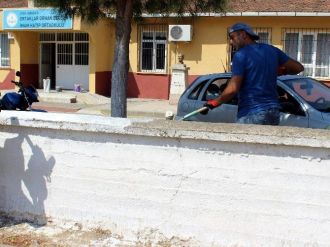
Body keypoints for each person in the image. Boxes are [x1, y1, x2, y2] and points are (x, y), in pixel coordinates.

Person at [201, 22, 304, 125]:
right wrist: (281, 71)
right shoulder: (272, 50)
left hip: (251, 113)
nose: (231, 42)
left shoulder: (240, 55)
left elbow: (232, 89)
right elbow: (298, 68)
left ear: (243, 34)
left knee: (240, 140)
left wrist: (214, 103)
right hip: (273, 112)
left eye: (232, 37)